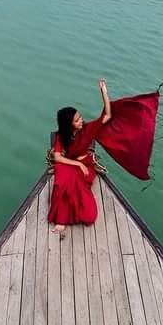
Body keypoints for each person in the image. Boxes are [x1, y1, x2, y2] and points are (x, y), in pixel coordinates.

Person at [49, 78, 111, 235]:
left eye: (80, 117)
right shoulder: (61, 136)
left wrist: (103, 91)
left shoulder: (88, 129)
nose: (81, 121)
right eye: (77, 120)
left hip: (86, 166)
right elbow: (57, 157)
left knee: (89, 216)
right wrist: (77, 164)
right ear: (68, 124)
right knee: (62, 178)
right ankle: (61, 220)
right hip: (73, 164)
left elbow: (108, 115)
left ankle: (72, 215)